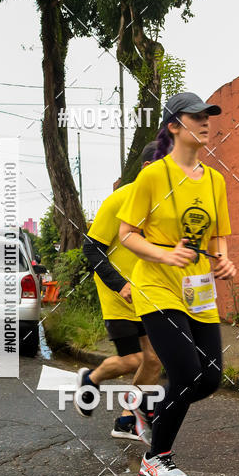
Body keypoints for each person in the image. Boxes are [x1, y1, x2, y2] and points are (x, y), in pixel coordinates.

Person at [118, 92, 236, 476]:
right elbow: (127, 235)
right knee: (185, 373)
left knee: (211, 377)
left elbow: (218, 235)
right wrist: (165, 256)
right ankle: (155, 458)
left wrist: (223, 258)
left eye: (208, 117)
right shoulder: (153, 176)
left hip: (198, 289)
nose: (206, 122)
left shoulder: (215, 180)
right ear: (174, 126)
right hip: (156, 286)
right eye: (196, 117)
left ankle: (152, 407)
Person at [75, 142, 161, 444]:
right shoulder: (120, 200)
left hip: (149, 295)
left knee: (154, 360)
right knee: (134, 360)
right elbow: (91, 248)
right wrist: (120, 283)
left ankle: (126, 420)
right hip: (119, 296)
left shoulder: (162, 206)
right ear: (149, 168)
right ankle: (92, 378)